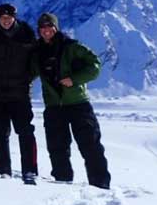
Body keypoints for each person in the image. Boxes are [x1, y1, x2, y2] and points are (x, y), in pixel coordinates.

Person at [32, 12, 111, 189]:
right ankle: (62, 183)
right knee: (57, 148)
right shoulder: (37, 51)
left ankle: (101, 186)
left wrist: (74, 79)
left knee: (90, 146)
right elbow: (28, 72)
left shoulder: (72, 47)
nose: (46, 31)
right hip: (53, 106)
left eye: (49, 27)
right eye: (42, 28)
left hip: (78, 104)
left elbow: (95, 66)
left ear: (55, 28)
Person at [0, 3, 39, 184]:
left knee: (26, 132)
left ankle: (29, 171)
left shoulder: (27, 35)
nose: (6, 21)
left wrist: (28, 78)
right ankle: (4, 171)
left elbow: (36, 61)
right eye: (2, 18)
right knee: (0, 134)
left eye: (9, 18)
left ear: (14, 17)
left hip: (20, 94)